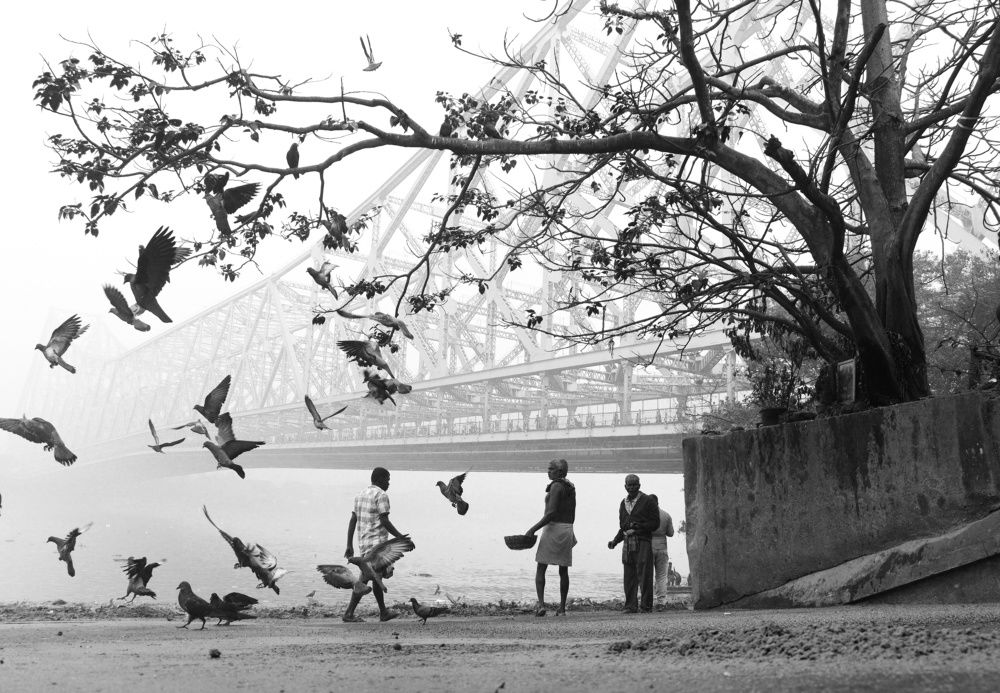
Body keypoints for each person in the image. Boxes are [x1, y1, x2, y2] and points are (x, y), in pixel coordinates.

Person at [342, 467, 408, 622]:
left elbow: (353, 520)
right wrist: (400, 538)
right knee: (373, 577)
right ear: (380, 479)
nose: (389, 483)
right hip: (377, 544)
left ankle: (352, 613)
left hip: (364, 543)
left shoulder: (360, 495)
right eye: (388, 479)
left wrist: (349, 544)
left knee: (368, 577)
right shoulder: (381, 495)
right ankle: (380, 613)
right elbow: (384, 520)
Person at [525, 458, 577, 617]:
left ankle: (541, 605)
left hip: (554, 528)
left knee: (541, 567)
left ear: (560, 472)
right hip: (567, 528)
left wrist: (532, 529)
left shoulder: (556, 486)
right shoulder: (570, 486)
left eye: (551, 469)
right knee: (563, 570)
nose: (548, 471)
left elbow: (551, 513)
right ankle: (562, 607)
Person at [608, 474, 660, 613]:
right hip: (627, 543)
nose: (631, 487)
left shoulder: (648, 501)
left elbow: (655, 523)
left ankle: (646, 606)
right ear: (625, 486)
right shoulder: (622, 503)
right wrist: (615, 541)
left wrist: (639, 526)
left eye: (634, 485)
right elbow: (623, 527)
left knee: (645, 574)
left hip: (643, 541)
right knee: (629, 575)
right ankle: (630, 605)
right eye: (629, 485)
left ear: (639, 486)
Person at [648, 494, 674, 606]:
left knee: (647, 576)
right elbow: (671, 533)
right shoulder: (666, 515)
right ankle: (661, 602)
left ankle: (647, 602)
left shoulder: (645, 516)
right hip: (662, 548)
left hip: (648, 548)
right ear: (658, 502)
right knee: (662, 576)